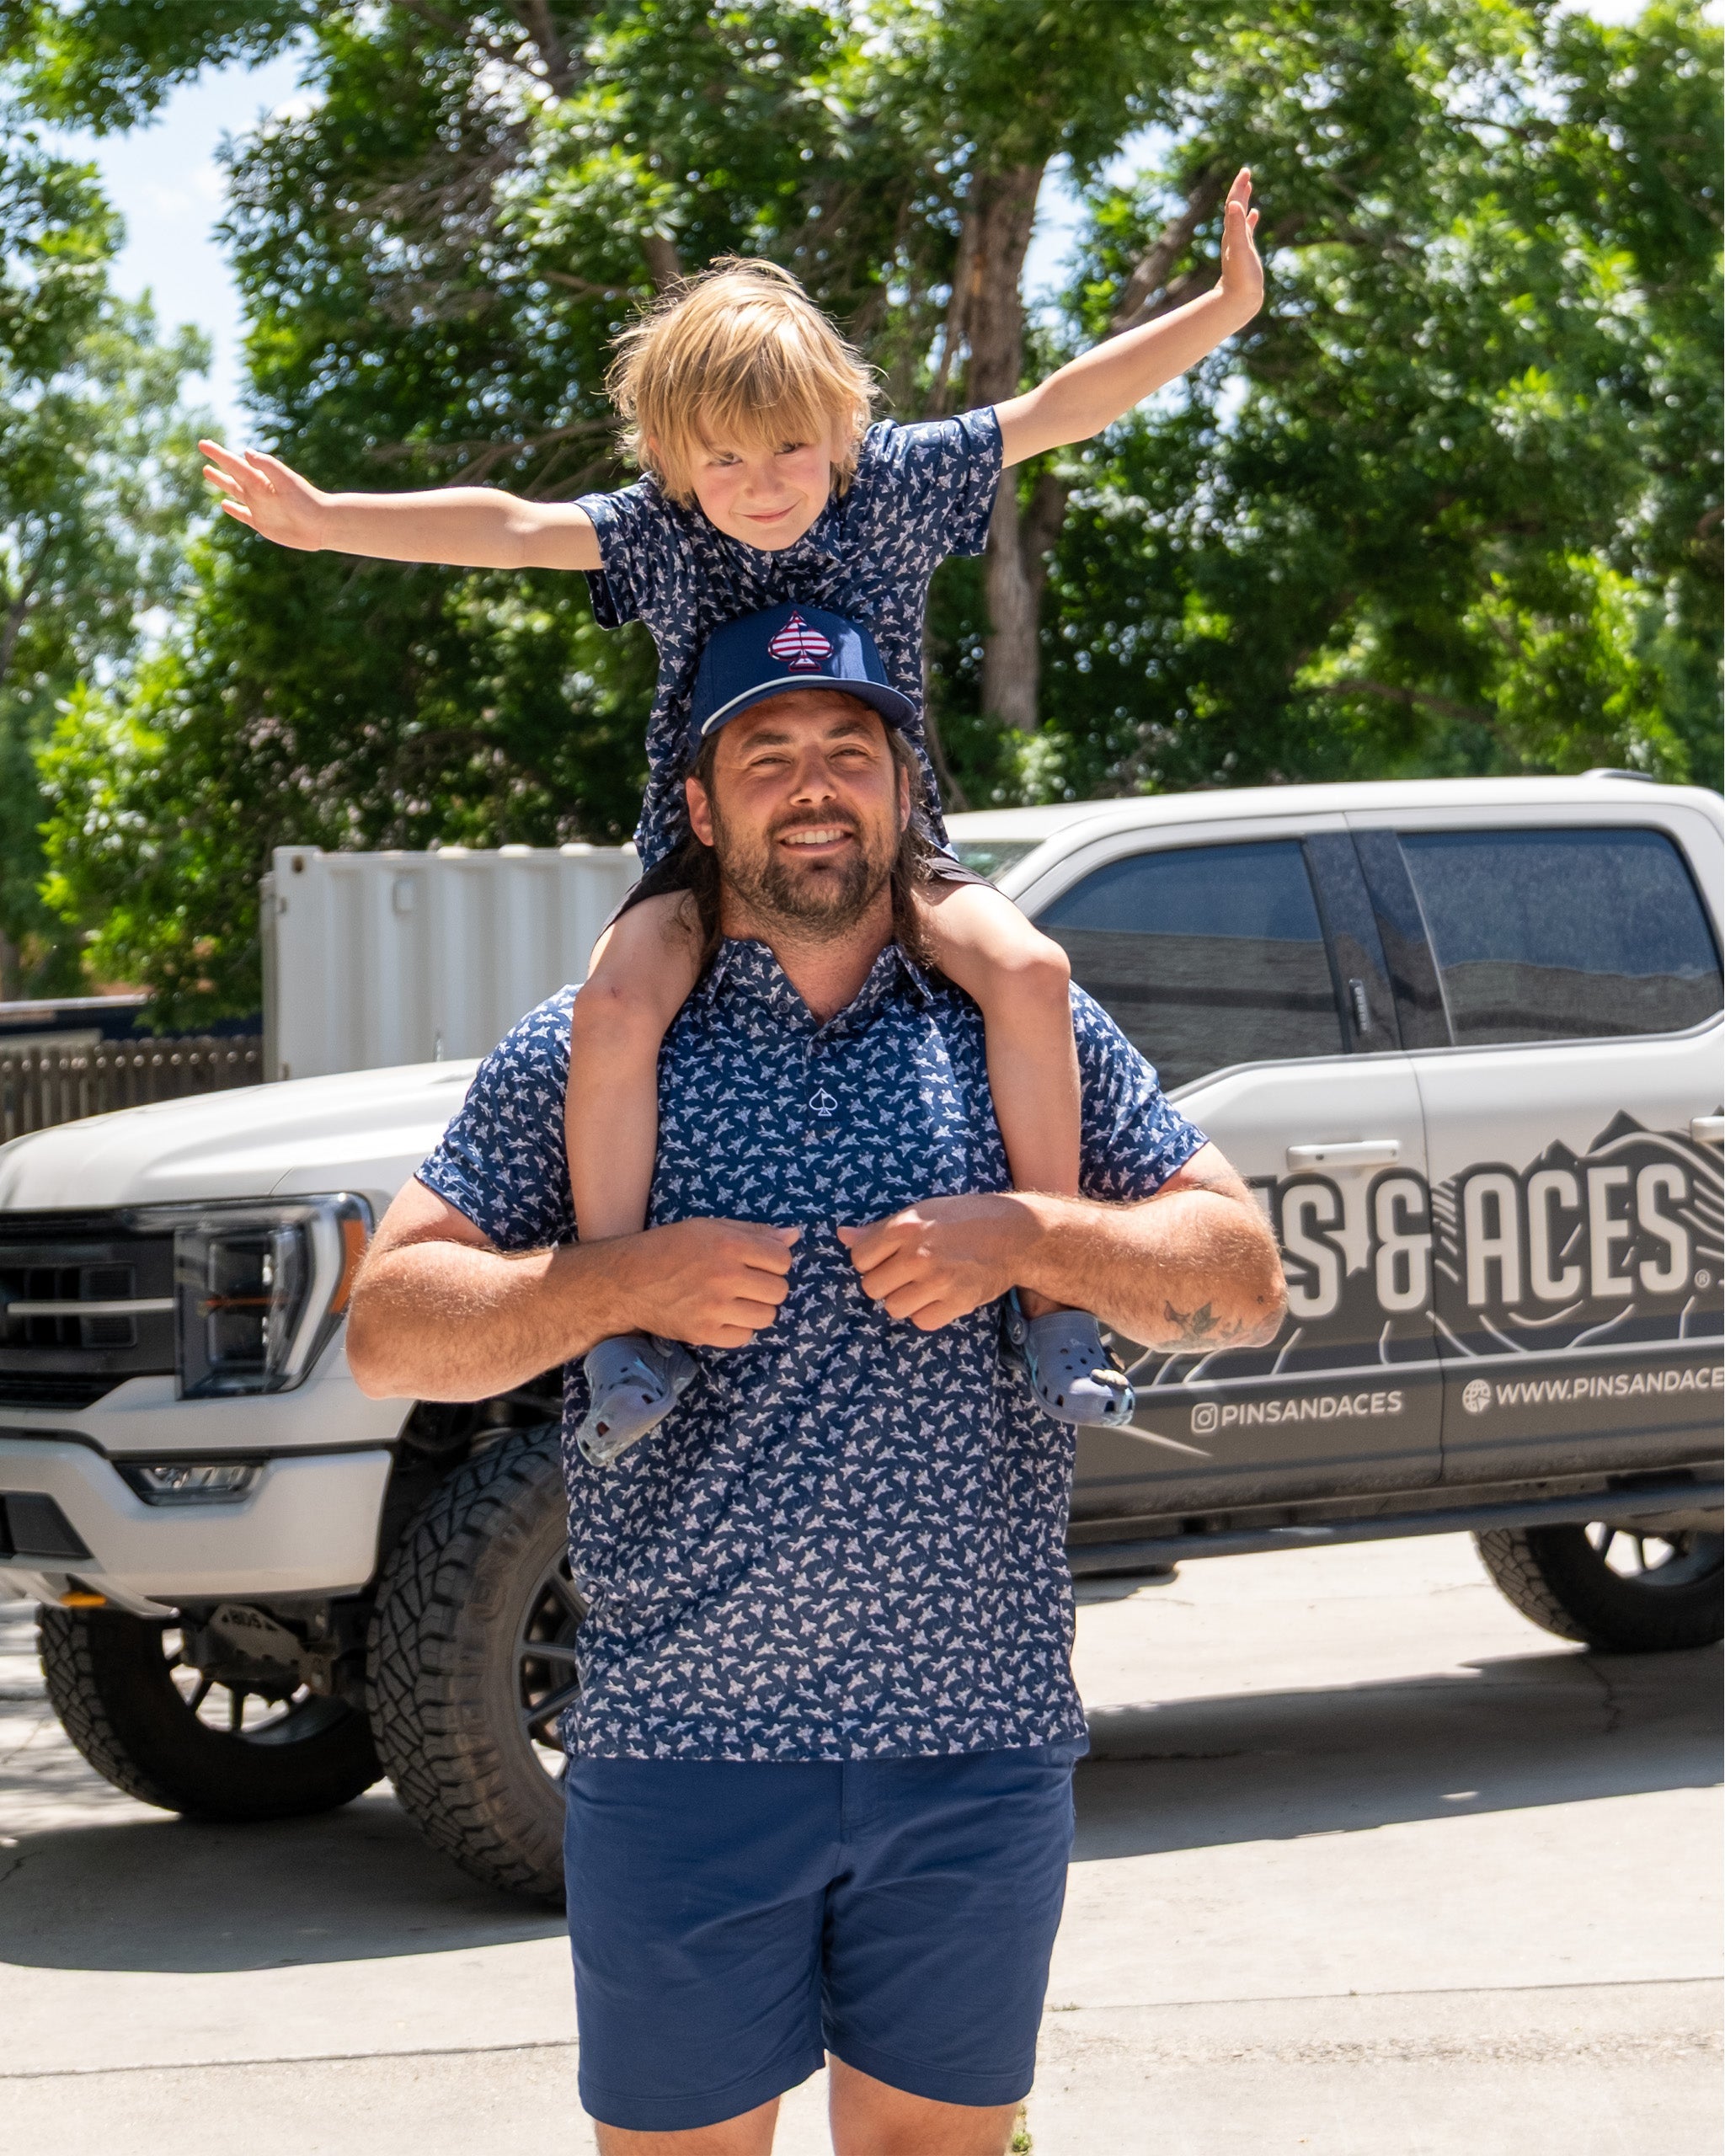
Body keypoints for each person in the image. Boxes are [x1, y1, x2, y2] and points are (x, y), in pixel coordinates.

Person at [345, 607, 1284, 2156]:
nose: (815, 784)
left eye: (851, 749)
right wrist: (623, 1282)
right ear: (702, 807)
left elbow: (1241, 1284)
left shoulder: (1005, 1030)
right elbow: (390, 1324)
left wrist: (1032, 1235)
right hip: (682, 1751)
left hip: (971, 1742)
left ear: (906, 788)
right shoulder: (600, 1048)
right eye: (767, 752)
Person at [200, 174, 1266, 1458]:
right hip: (701, 864)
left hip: (891, 854)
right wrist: (326, 525)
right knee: (613, 1008)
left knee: (1031, 968)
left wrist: (1220, 306)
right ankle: (618, 1329)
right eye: (722, 460)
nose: (761, 488)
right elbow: (516, 525)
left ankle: (1050, 1308)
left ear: (841, 427)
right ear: (670, 459)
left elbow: (1063, 406)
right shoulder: (661, 534)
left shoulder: (900, 484)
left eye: (788, 453)